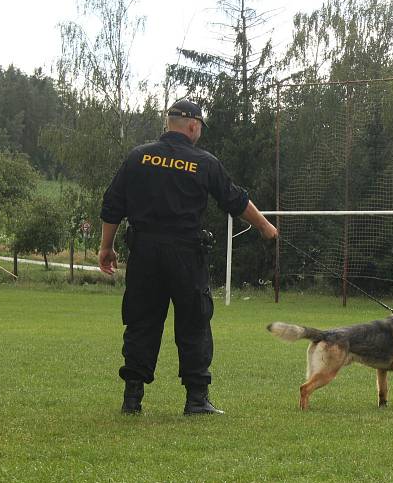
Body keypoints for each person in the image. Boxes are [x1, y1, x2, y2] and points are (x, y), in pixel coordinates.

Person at [98, 99, 277, 415]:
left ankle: (132, 399)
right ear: (193, 126)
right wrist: (265, 227)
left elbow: (113, 204)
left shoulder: (138, 157)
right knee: (194, 323)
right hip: (185, 254)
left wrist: (106, 248)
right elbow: (234, 200)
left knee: (141, 322)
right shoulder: (203, 162)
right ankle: (196, 399)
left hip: (144, 254)